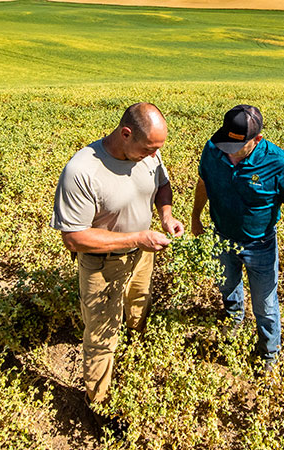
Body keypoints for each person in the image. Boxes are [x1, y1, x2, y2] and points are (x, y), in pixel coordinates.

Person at [49, 102, 184, 427]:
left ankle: (136, 346)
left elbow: (161, 183)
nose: (154, 155)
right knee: (101, 336)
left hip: (144, 253)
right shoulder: (82, 171)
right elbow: (74, 238)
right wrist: (138, 238)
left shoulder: (149, 152)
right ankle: (98, 406)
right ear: (126, 134)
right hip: (103, 266)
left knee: (140, 302)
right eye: (149, 148)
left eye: (158, 149)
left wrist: (165, 214)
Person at [191, 104, 284, 374]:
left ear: (257, 140)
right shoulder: (213, 149)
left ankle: (269, 353)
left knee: (265, 305)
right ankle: (233, 320)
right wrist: (196, 218)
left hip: (261, 246)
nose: (227, 152)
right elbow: (203, 183)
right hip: (222, 239)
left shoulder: (278, 163)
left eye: (235, 148)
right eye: (225, 144)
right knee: (227, 286)